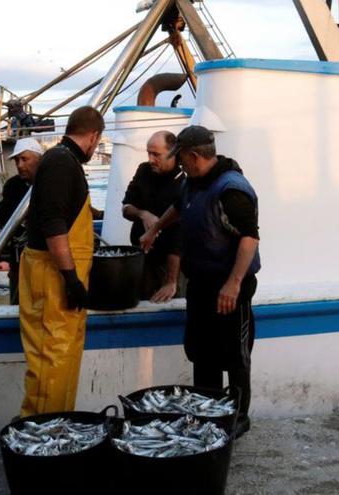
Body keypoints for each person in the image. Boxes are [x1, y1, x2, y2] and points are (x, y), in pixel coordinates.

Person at [140, 125, 260, 438]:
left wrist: (233, 284)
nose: (178, 164)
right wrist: (154, 229)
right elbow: (179, 209)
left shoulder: (231, 189)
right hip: (202, 285)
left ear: (194, 156)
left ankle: (237, 418)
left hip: (229, 287)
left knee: (234, 355)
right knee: (202, 352)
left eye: (180, 158)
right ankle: (208, 412)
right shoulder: (194, 182)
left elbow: (250, 238)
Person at [18, 106, 105, 417]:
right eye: (98, 142)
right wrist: (70, 278)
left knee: (64, 355)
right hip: (51, 276)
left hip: (60, 278)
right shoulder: (59, 163)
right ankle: (39, 434)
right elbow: (54, 224)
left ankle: (60, 426)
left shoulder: (64, 162)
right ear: (94, 136)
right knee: (50, 359)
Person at [122, 130, 185, 302]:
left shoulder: (184, 182)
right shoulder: (144, 171)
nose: (150, 159)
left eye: (156, 155)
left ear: (173, 154)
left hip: (171, 263)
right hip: (141, 258)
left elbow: (178, 239)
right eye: (148, 153)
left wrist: (171, 281)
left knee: (169, 303)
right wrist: (143, 214)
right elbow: (126, 207)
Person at [0, 137, 43, 304]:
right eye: (17, 160)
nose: (19, 165)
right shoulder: (12, 186)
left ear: (39, 158)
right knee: (18, 303)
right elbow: (5, 220)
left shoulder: (49, 183)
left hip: (43, 260)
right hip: (19, 259)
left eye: (24, 159)